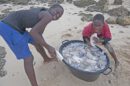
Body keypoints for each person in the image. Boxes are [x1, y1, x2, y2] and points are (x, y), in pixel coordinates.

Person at [0, 4, 64, 86]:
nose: (57, 15)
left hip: (16, 26)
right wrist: (48, 47)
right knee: (29, 58)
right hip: (9, 28)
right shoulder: (48, 16)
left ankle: (46, 59)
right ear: (51, 9)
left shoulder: (45, 13)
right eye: (57, 12)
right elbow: (33, 32)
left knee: (37, 42)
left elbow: (38, 34)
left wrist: (46, 46)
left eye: (60, 15)